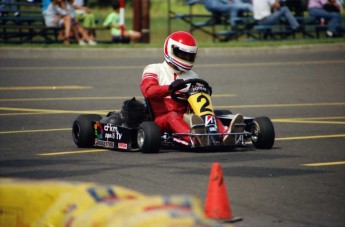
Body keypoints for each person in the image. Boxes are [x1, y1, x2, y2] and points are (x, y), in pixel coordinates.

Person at [140, 31, 244, 146]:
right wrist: (169, 88)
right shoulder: (154, 69)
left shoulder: (192, 76)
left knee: (209, 114)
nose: (186, 58)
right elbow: (148, 91)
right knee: (172, 116)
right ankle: (195, 138)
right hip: (161, 119)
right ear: (170, 50)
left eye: (189, 56)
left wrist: (204, 92)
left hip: (187, 116)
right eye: (182, 54)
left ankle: (224, 135)